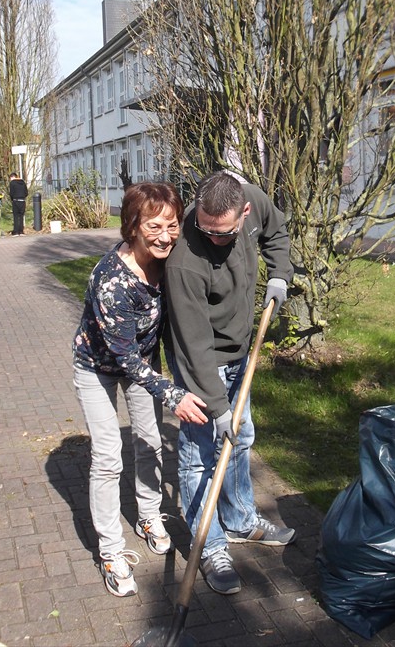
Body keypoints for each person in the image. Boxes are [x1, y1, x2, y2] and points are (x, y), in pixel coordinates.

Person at [72, 181, 208, 597]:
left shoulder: (169, 261)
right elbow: (124, 355)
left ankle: (149, 516)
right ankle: (111, 551)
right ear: (132, 225)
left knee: (148, 442)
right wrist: (173, 395)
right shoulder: (112, 281)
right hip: (97, 367)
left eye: (172, 225)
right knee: (109, 456)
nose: (165, 235)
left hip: (141, 365)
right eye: (154, 226)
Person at [163, 170, 294, 595]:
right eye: (206, 229)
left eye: (224, 233)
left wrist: (281, 272)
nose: (214, 240)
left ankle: (239, 520)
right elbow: (194, 343)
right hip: (201, 358)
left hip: (241, 350)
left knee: (241, 438)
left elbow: (277, 230)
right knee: (200, 455)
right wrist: (216, 407)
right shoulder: (185, 257)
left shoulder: (252, 201)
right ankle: (210, 545)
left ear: (244, 212)